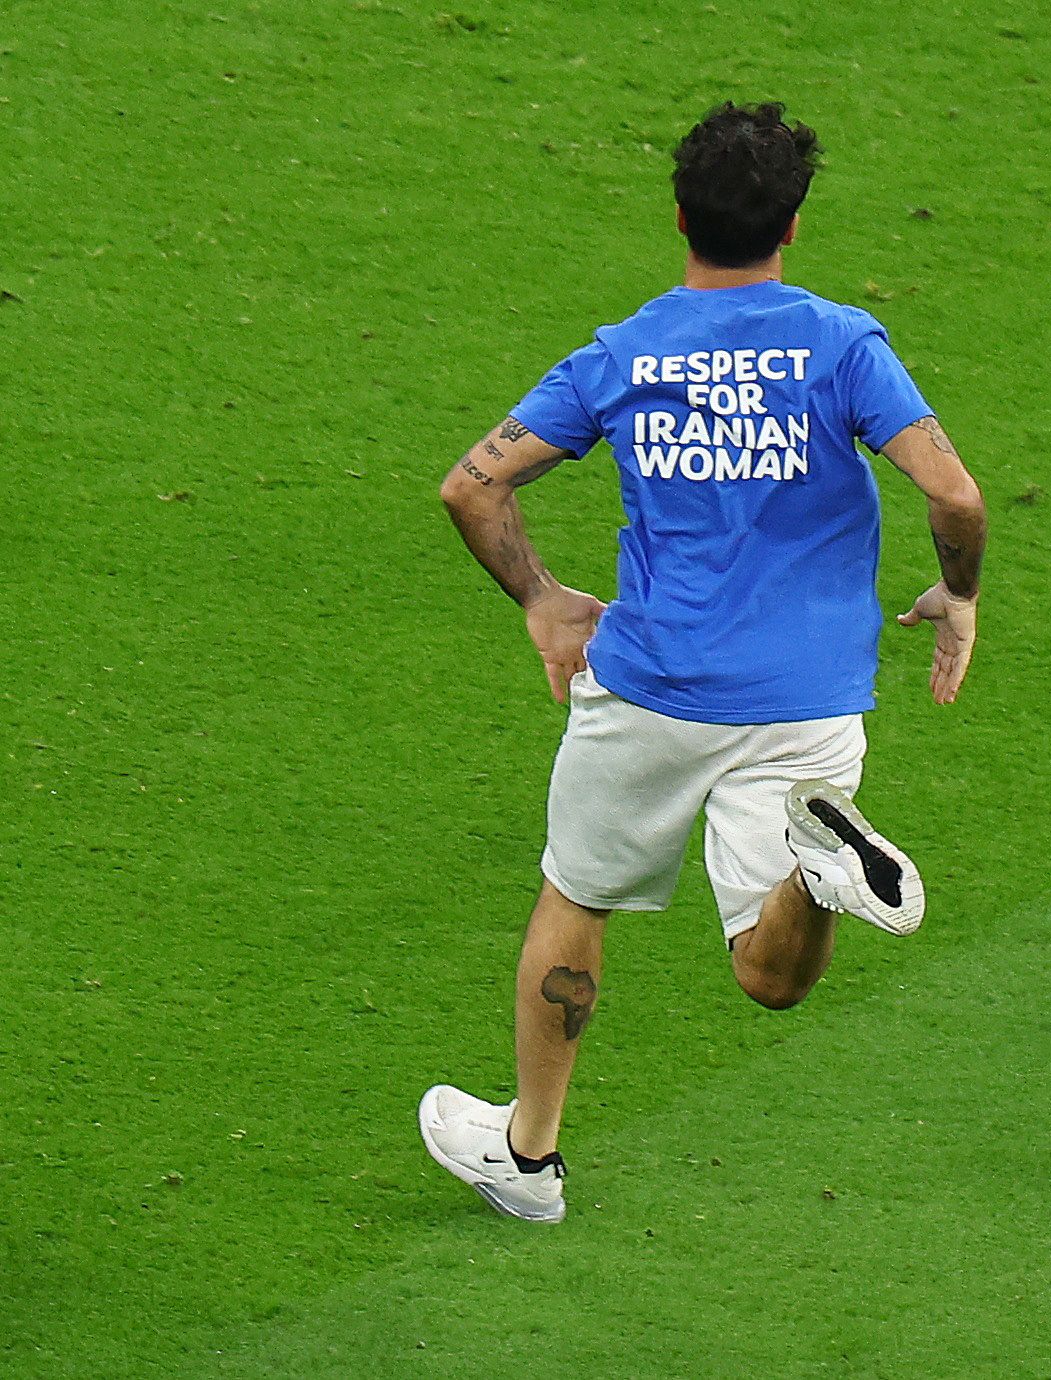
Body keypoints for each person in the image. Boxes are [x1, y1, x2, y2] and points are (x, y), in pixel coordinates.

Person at [417, 101, 987, 1223]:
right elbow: (955, 493)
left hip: (653, 690)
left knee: (577, 894)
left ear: (679, 213)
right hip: (811, 702)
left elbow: (470, 485)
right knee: (767, 978)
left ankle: (527, 1159)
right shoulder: (840, 344)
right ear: (793, 224)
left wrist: (540, 601)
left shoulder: (624, 354)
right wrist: (957, 594)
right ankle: (819, 878)